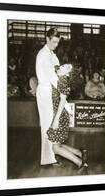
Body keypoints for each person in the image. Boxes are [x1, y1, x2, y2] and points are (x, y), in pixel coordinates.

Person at [36, 28, 71, 166]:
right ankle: (48, 159)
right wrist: (65, 98)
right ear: (47, 39)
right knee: (47, 125)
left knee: (51, 124)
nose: (56, 44)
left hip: (52, 91)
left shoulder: (52, 54)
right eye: (54, 42)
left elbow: (58, 72)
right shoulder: (43, 55)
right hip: (45, 92)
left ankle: (51, 155)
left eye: (58, 42)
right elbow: (52, 78)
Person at [46, 64, 88, 174]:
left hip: (59, 116)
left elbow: (62, 102)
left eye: (67, 67)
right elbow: (54, 67)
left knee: (56, 148)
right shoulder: (61, 78)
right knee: (57, 144)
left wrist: (56, 120)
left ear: (68, 73)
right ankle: (80, 153)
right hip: (60, 115)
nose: (64, 66)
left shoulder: (63, 81)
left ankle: (80, 162)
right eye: (65, 65)